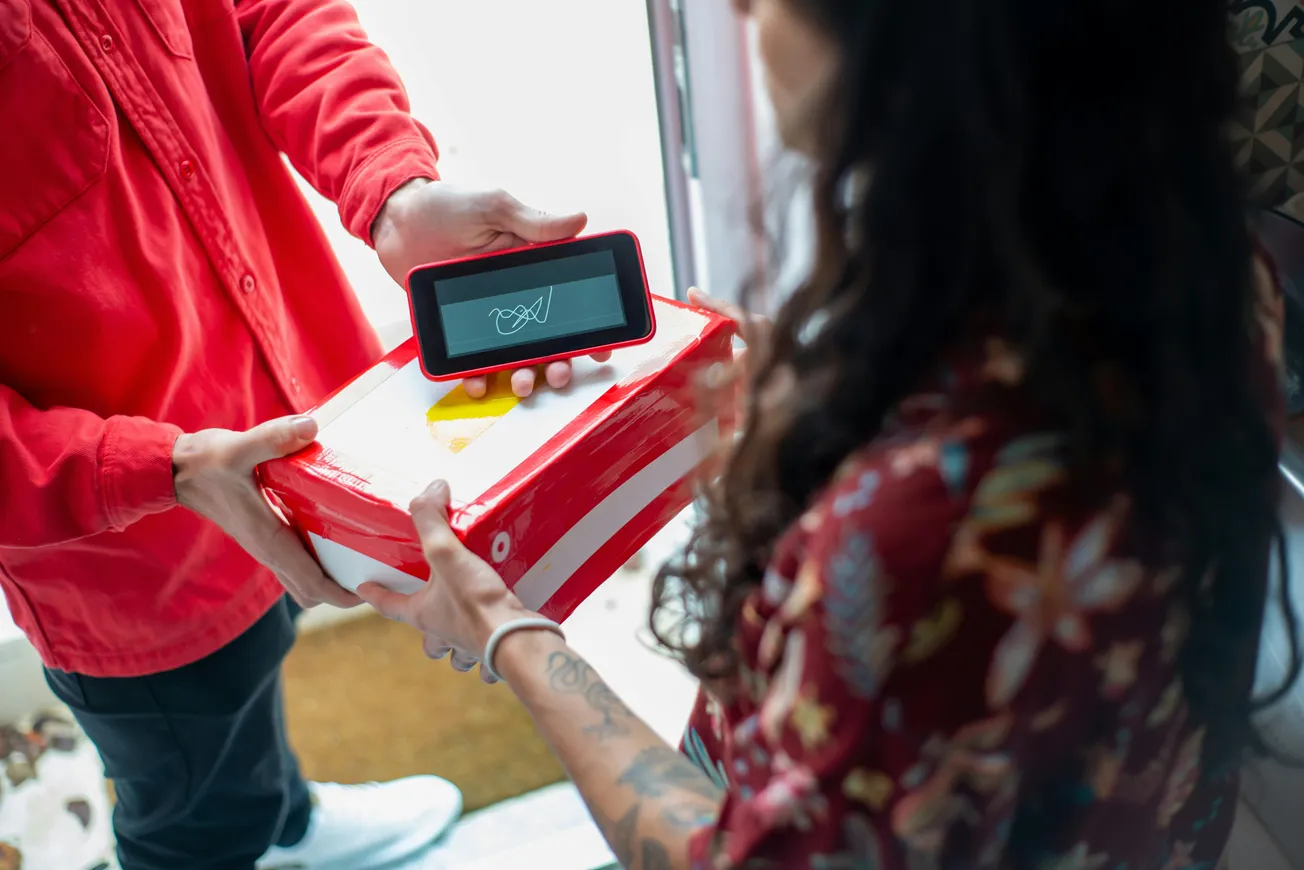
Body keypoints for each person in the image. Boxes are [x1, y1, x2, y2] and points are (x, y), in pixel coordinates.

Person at [358, 0, 1304, 867]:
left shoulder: (922, 531)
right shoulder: (1212, 270)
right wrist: (821, 405)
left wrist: (508, 632)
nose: (738, 10)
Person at [0, 2, 603, 869]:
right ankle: (248, 831)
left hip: (286, 415)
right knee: (191, 809)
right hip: (126, 552)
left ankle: (287, 823)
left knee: (259, 670)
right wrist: (155, 469)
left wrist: (392, 188)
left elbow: (270, 13)